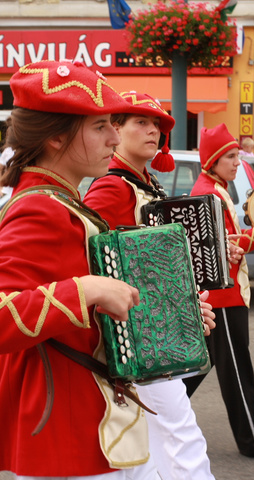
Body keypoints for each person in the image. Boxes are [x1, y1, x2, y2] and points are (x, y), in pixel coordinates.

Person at [0, 59, 167, 479]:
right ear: (56, 136)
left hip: (88, 416)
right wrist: (87, 290)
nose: (115, 138)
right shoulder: (39, 207)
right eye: (99, 126)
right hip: (63, 426)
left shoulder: (61, 201)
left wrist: (166, 315)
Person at [84, 91, 219, 480]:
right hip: (141, 332)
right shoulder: (112, 187)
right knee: (179, 432)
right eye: (140, 122)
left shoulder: (147, 184)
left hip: (153, 327)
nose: (153, 130)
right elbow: (98, 260)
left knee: (158, 438)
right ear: (116, 130)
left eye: (157, 124)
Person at [183, 123, 254, 462]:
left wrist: (251, 232)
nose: (236, 163)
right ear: (212, 160)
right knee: (237, 371)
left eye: (236, 156)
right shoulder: (210, 193)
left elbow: (224, 242)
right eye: (229, 157)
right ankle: (253, 442)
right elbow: (220, 251)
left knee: (196, 369)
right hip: (223, 298)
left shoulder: (215, 188)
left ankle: (152, 418)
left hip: (223, 296)